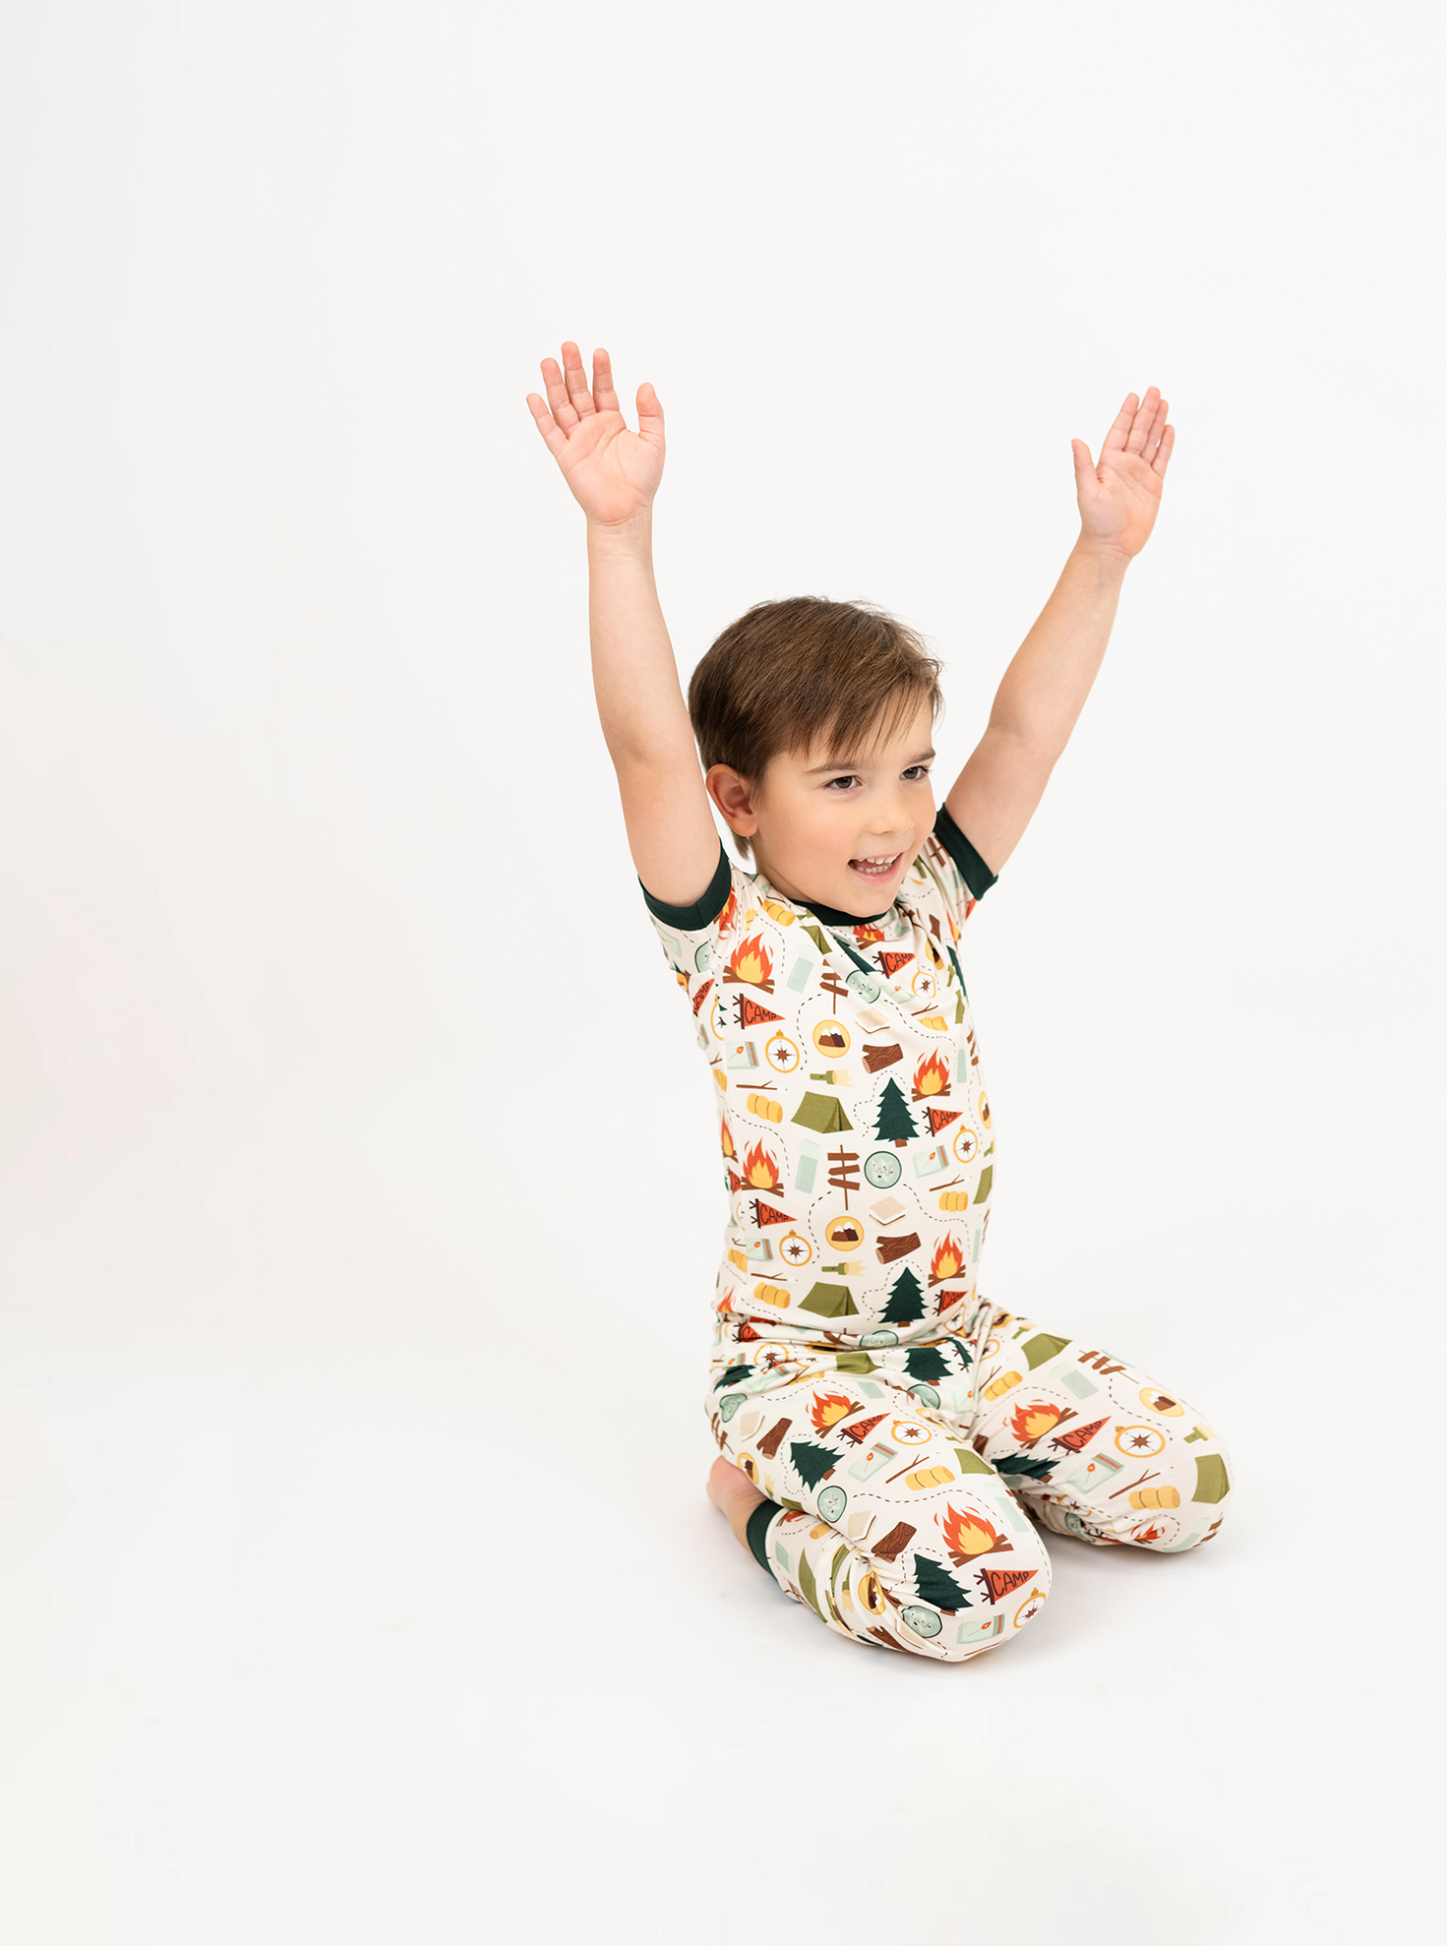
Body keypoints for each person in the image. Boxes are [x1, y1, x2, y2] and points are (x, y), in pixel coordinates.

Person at [526, 340, 1230, 1661]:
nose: (897, 815)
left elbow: (1021, 734)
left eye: (909, 770)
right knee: (980, 1599)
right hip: (797, 1370)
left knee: (1187, 1492)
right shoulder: (728, 933)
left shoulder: (930, 903)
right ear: (739, 800)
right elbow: (642, 744)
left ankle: (938, 1461)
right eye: (842, 782)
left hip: (951, 1343)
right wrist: (618, 534)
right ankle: (756, 1500)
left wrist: (1102, 555)